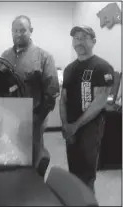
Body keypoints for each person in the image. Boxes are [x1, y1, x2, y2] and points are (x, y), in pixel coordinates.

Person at [0, 15, 60, 168]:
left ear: (31, 31)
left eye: (22, 30)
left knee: (33, 153)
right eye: (15, 31)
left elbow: (51, 91)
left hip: (34, 116)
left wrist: (38, 117)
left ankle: (33, 187)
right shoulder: (5, 55)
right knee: (11, 151)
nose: (18, 34)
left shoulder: (44, 56)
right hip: (9, 115)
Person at [60, 25, 114, 192]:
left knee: (87, 173)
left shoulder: (103, 67)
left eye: (84, 37)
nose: (79, 41)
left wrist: (75, 125)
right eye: (76, 38)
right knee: (73, 170)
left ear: (94, 41)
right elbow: (63, 99)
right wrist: (65, 125)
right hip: (71, 127)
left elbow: (100, 101)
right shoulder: (69, 69)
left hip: (91, 128)